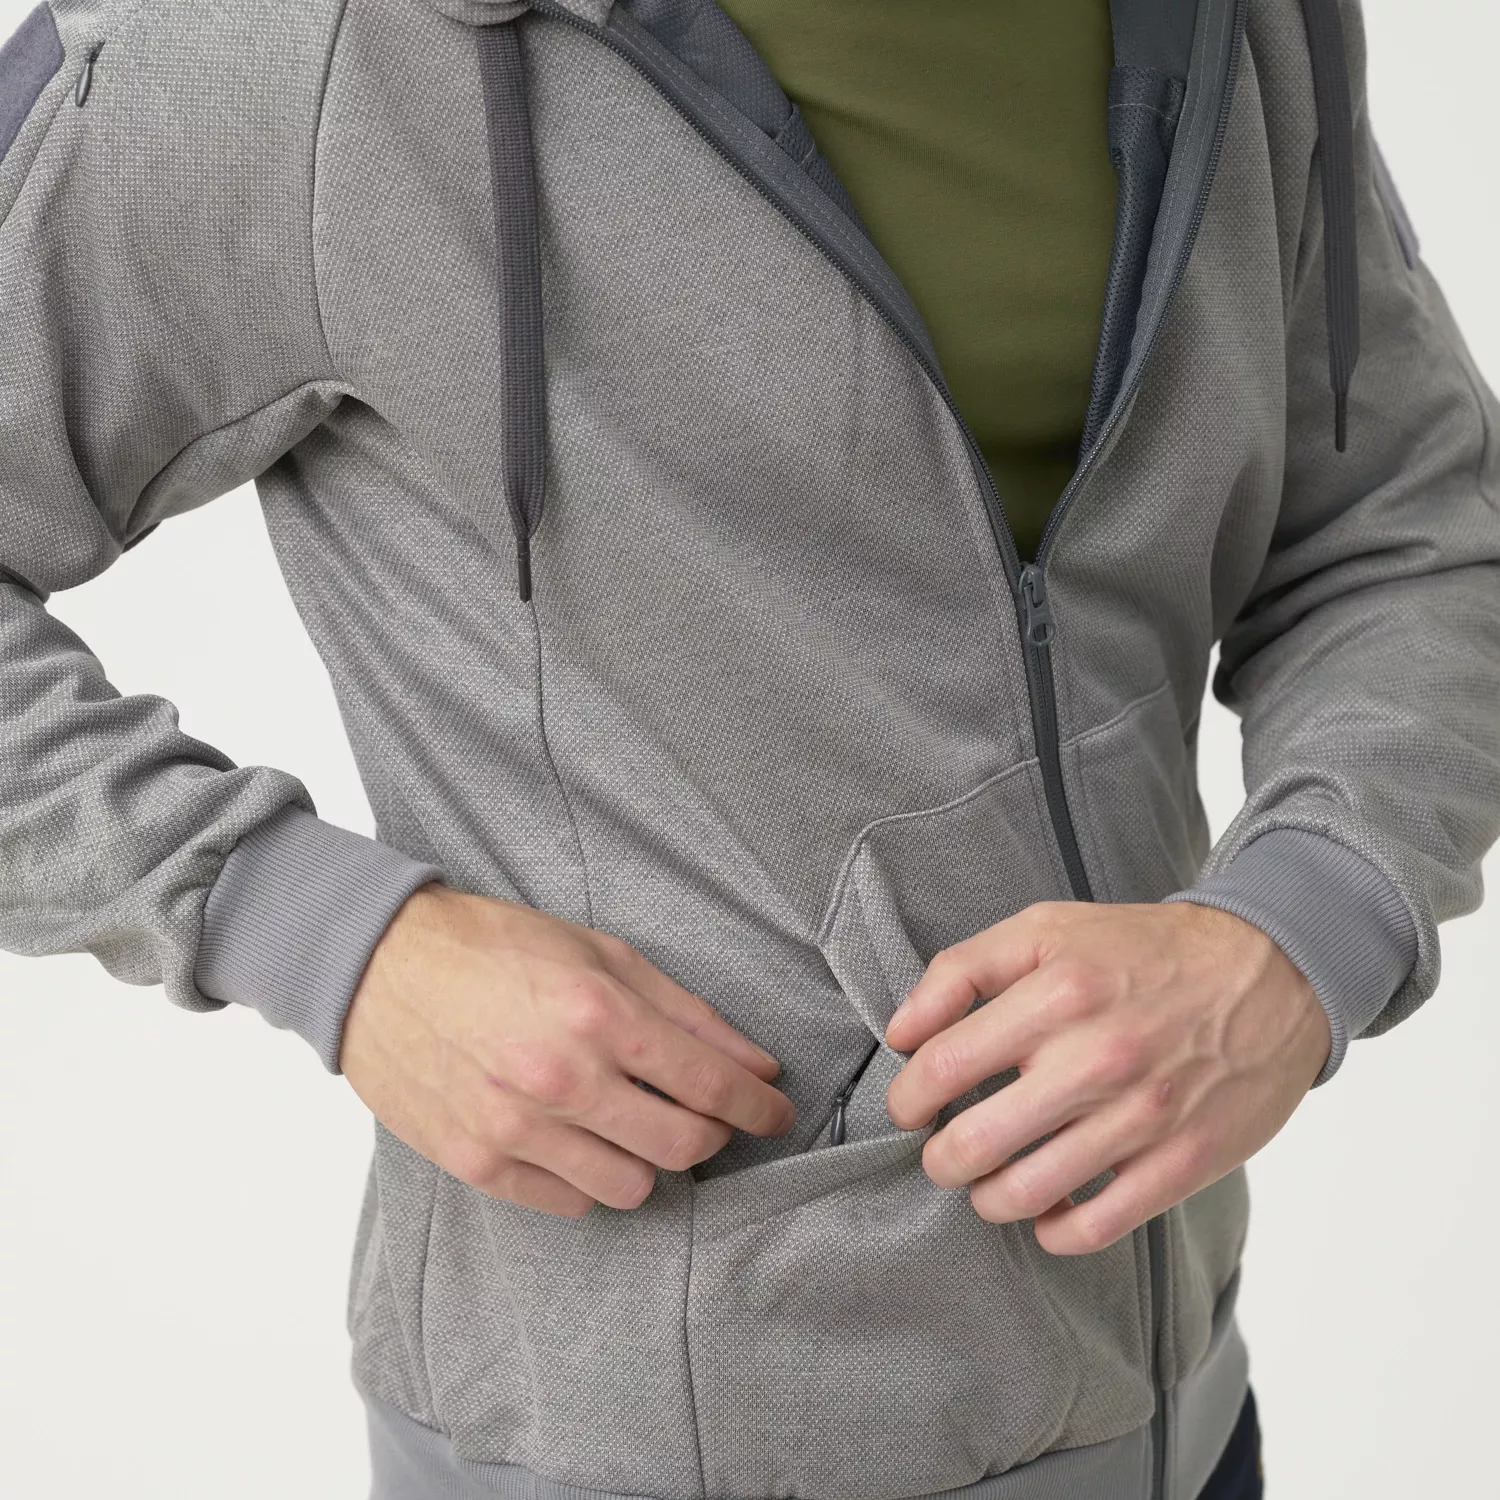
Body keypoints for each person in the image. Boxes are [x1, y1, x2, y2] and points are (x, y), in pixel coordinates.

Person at [2, 0, 1496, 1496]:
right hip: (615, 1442)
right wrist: (324, 934)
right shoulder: (291, 41)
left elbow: (1410, 527)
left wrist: (1297, 931)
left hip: (1169, 1416)